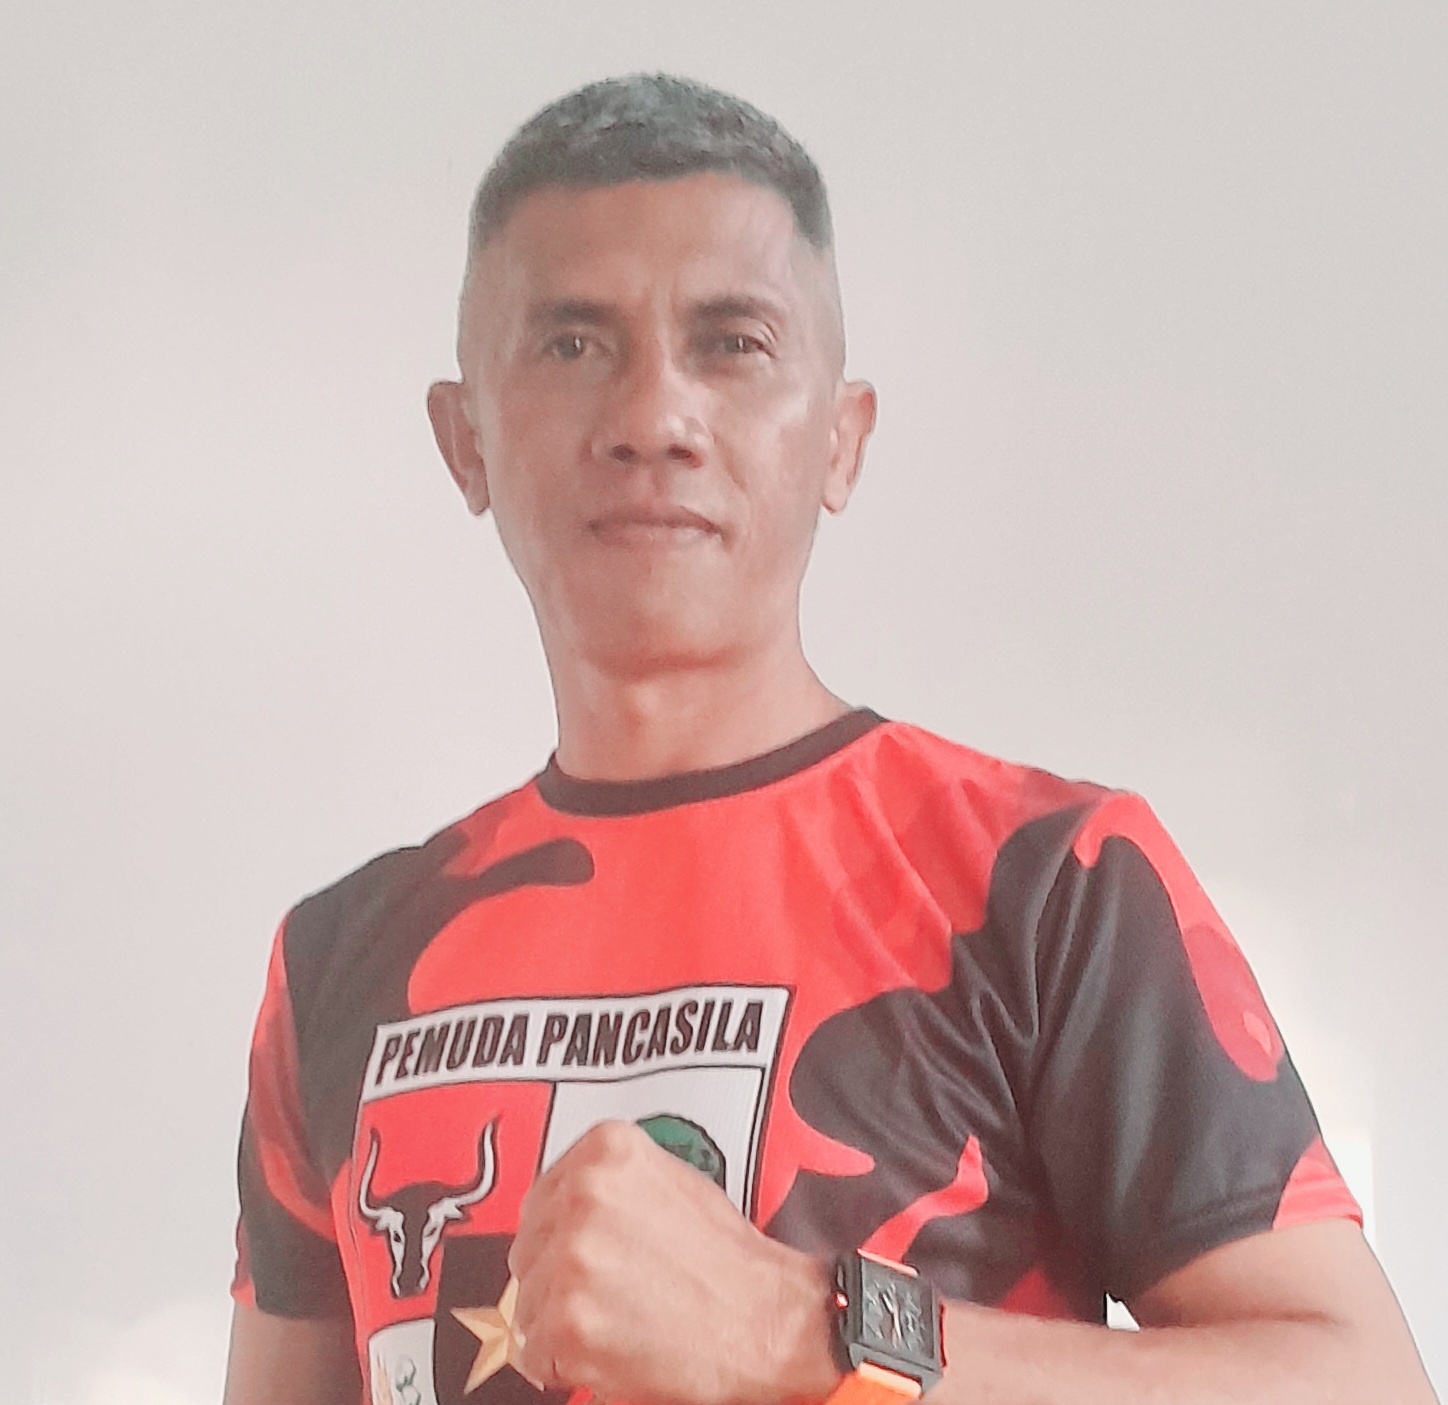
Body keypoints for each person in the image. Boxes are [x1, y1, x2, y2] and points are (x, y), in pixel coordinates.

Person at [223, 74, 1437, 1405]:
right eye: (572, 343)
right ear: (465, 441)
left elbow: (1362, 1382)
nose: (654, 418)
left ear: (842, 442)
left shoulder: (1050, 882)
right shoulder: (336, 963)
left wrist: (806, 1329)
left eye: (732, 343)